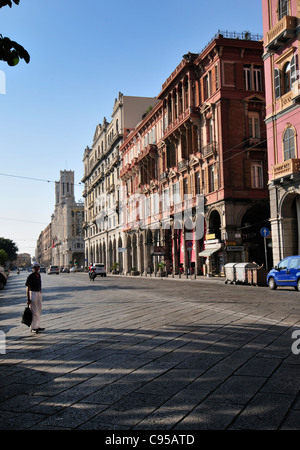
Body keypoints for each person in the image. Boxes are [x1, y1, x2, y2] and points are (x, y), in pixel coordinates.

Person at [25, 262, 44, 333]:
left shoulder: (39, 275)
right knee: (34, 311)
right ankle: (32, 328)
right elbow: (27, 287)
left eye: (38, 267)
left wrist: (40, 291)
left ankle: (37, 326)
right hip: (32, 293)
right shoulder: (30, 276)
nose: (37, 269)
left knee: (39, 310)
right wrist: (28, 298)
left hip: (39, 293)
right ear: (33, 269)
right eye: (35, 268)